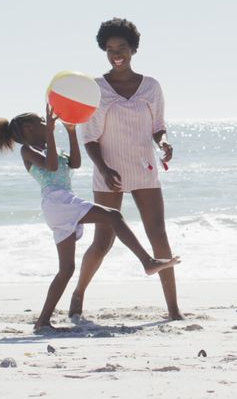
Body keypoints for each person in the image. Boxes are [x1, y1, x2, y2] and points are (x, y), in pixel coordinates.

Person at [0, 105, 179, 331]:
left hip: (62, 204)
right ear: (29, 129)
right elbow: (50, 166)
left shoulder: (50, 147)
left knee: (66, 269)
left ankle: (42, 322)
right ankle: (147, 261)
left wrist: (71, 132)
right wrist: (50, 132)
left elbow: (75, 163)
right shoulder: (28, 150)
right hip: (58, 202)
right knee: (113, 216)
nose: (48, 123)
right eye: (43, 121)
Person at [71, 18, 182, 320]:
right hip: (109, 171)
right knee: (103, 241)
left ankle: (173, 310)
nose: (116, 54)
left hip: (144, 169)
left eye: (122, 48)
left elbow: (158, 127)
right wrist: (105, 170)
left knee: (158, 235)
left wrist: (165, 144)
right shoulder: (97, 89)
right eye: (110, 49)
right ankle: (78, 294)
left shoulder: (151, 87)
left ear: (133, 49)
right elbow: (89, 137)